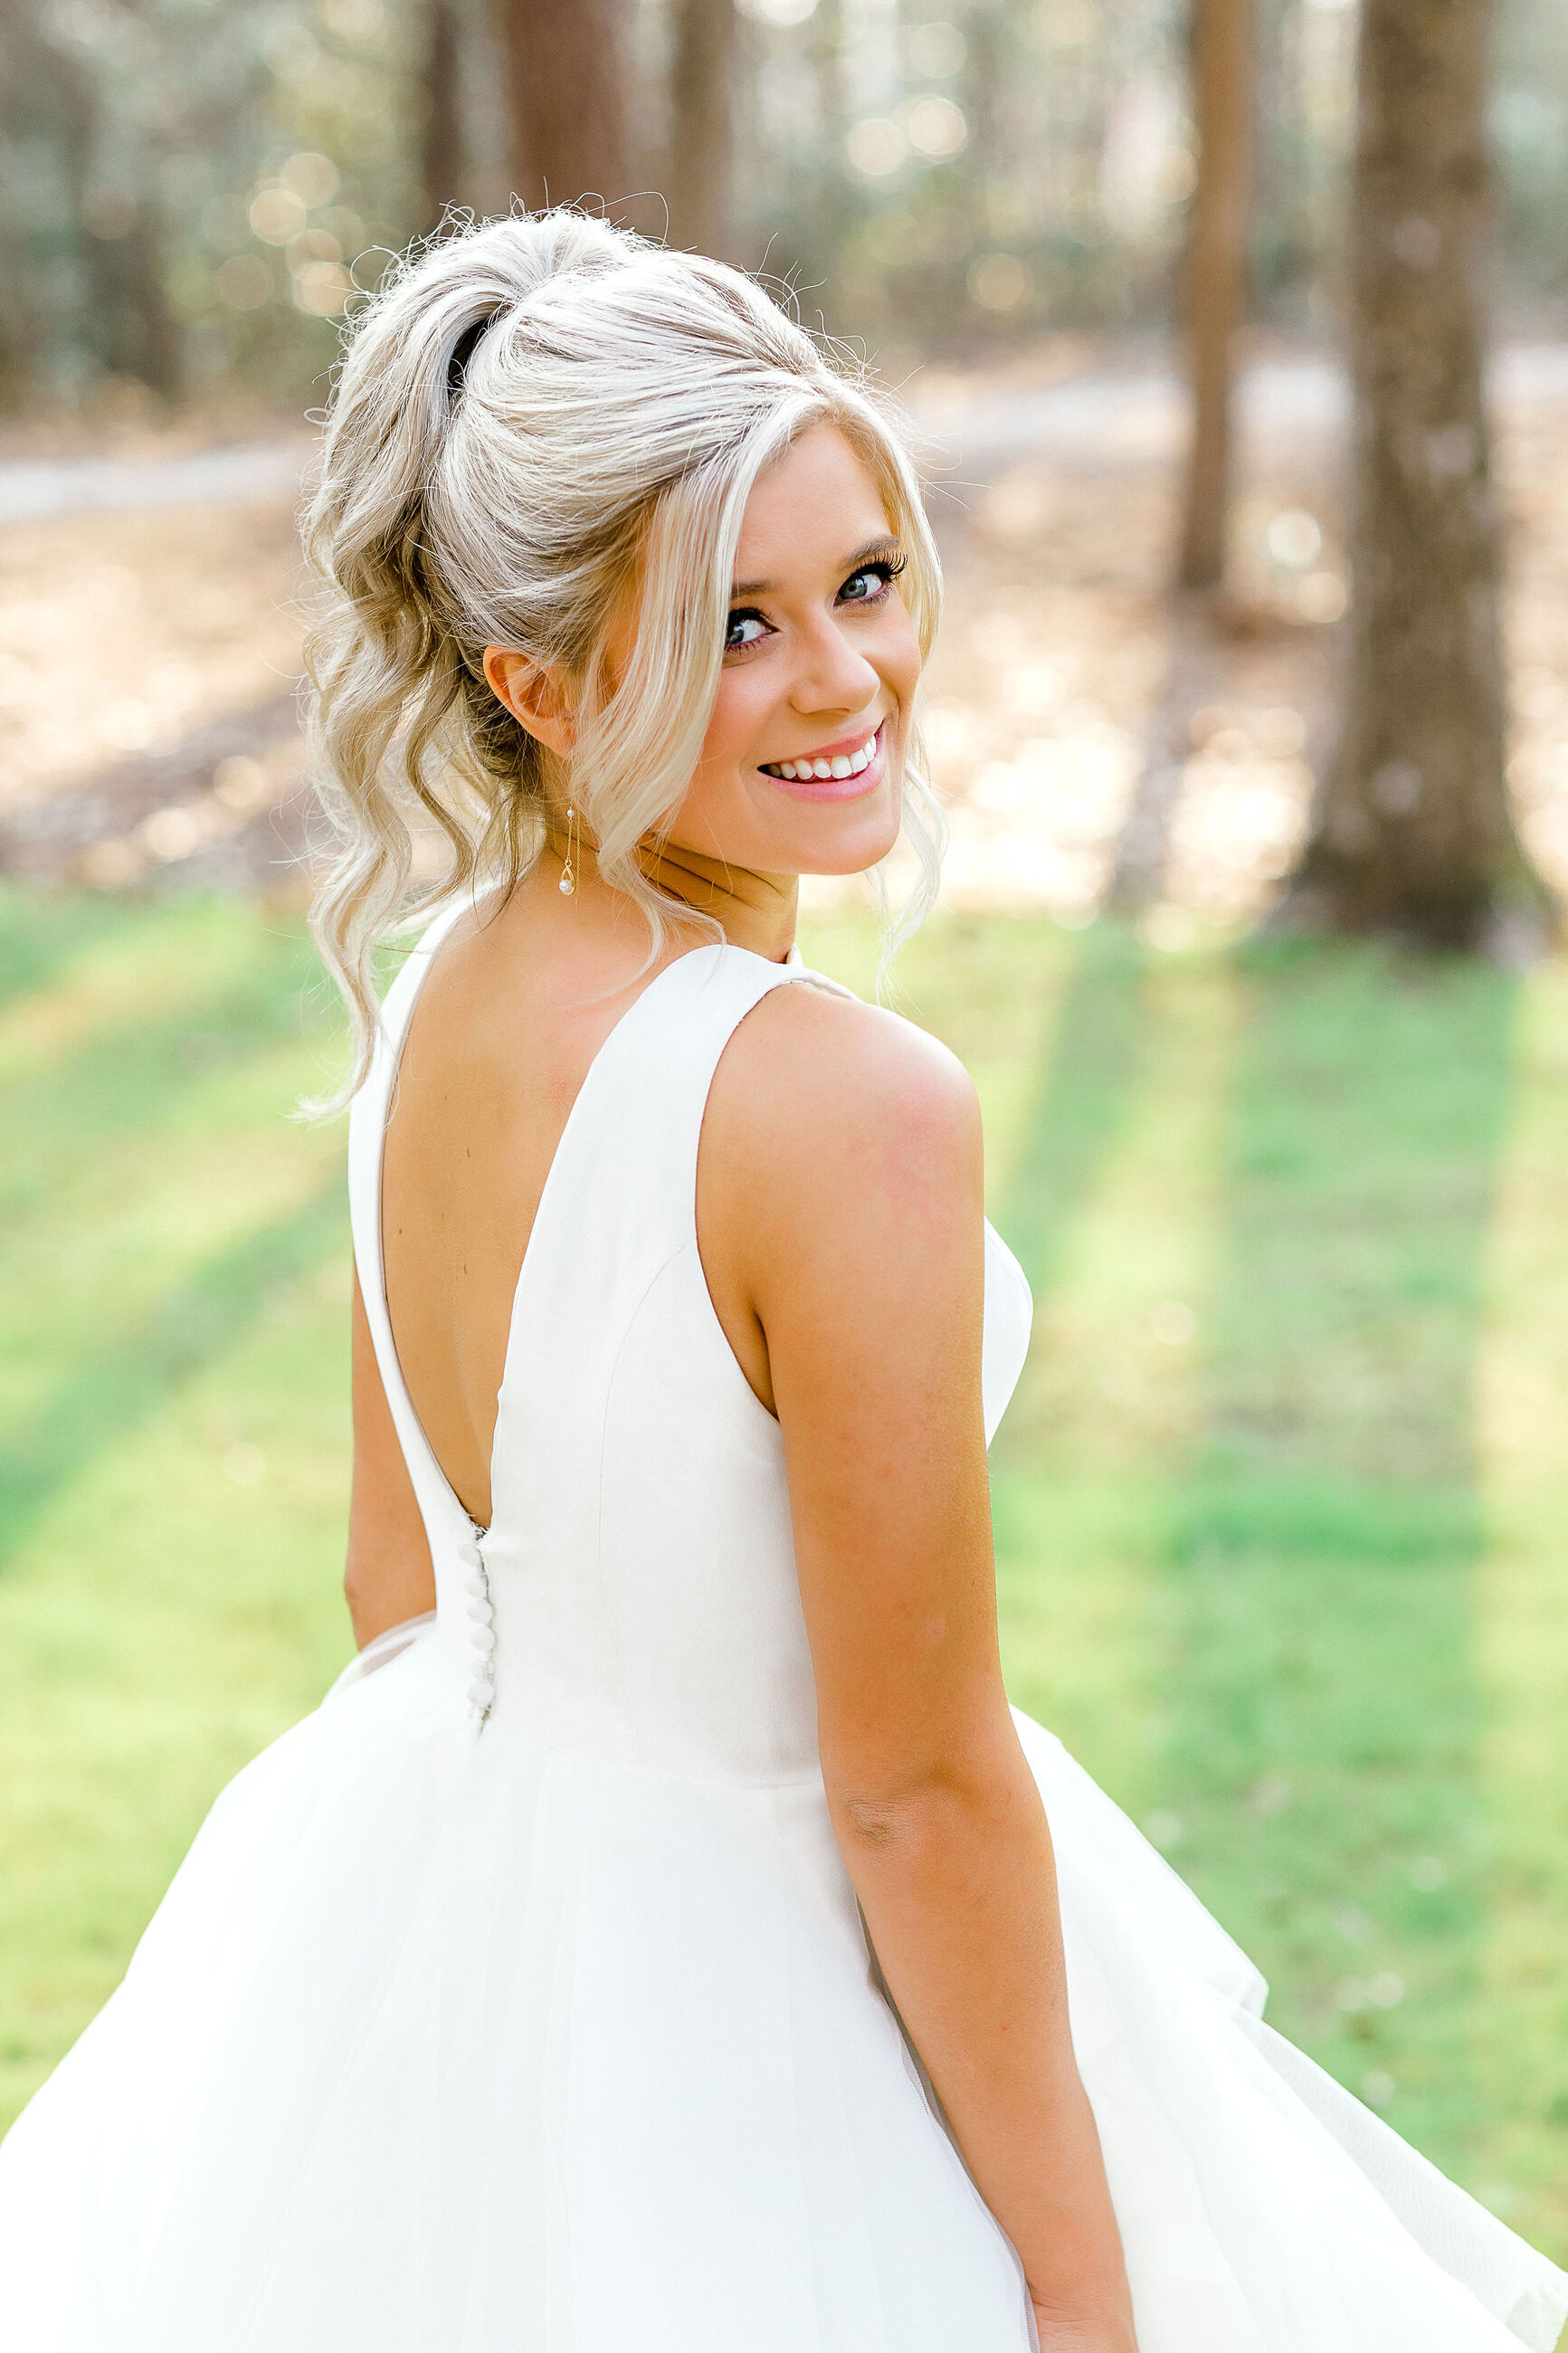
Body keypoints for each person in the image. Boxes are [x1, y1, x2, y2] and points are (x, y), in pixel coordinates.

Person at [0, 210, 1562, 2353]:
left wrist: (496, 1983)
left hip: (440, 1913)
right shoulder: (842, 1107)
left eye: (864, 579)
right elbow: (910, 1788)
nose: (842, 678)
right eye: (730, 626)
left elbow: (401, 1593)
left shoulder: (435, 996)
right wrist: (1085, 2283)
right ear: (533, 683)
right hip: (754, 2031)